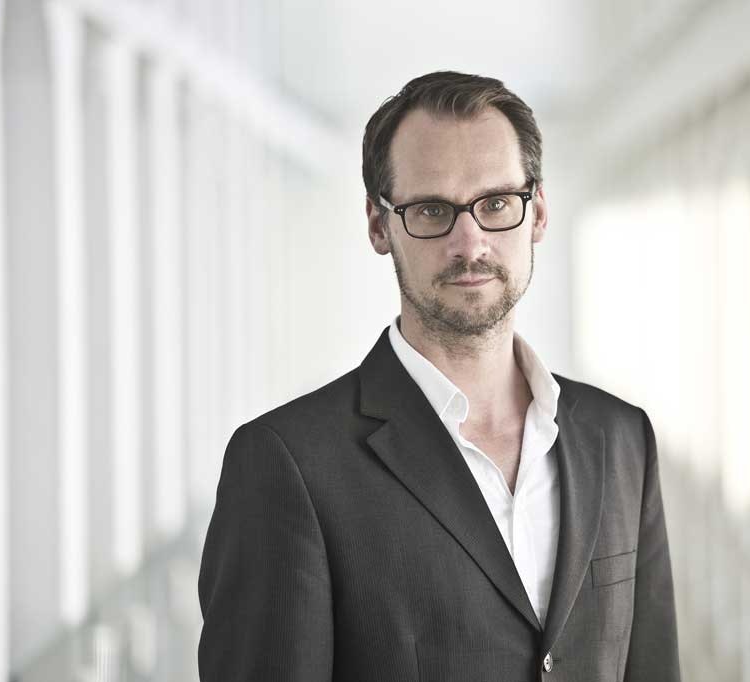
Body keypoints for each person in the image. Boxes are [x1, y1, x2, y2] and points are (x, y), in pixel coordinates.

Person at [197, 71, 680, 682]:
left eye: (496, 204)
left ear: (537, 213)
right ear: (379, 225)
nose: (469, 243)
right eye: (431, 210)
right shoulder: (287, 464)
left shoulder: (622, 438)